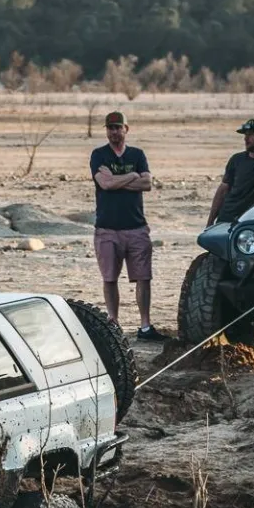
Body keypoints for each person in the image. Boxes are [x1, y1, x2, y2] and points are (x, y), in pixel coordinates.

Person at [90, 111, 166, 341]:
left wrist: (118, 180)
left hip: (136, 227)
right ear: (107, 130)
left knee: (144, 277)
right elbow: (104, 184)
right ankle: (114, 322)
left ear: (126, 129)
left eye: (118, 127)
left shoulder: (137, 154)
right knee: (110, 278)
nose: (114, 132)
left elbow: (147, 183)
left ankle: (145, 326)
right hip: (107, 228)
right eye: (110, 128)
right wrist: (131, 176)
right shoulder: (98, 154)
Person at [206, 119, 254, 227]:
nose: (246, 139)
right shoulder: (236, 160)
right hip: (227, 218)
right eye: (245, 135)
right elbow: (222, 191)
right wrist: (210, 222)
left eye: (251, 135)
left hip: (251, 221)